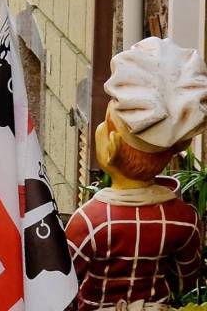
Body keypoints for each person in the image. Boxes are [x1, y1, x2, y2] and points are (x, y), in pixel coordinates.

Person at [66, 37, 207, 310]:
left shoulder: (91, 222)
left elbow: (61, 280)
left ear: (110, 146)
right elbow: (184, 282)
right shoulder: (184, 219)